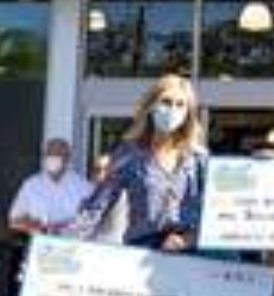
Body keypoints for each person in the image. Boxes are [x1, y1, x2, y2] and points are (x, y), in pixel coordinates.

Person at [71, 73, 209, 252]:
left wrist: (189, 239)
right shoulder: (129, 154)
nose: (172, 110)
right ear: (151, 105)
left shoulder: (198, 158)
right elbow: (96, 208)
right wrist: (61, 246)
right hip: (143, 249)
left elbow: (215, 213)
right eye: (166, 102)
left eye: (180, 105)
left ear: (187, 114)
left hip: (189, 254)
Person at [10, 138, 93, 237]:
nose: (53, 158)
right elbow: (15, 220)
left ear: (68, 159)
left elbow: (93, 219)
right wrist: (39, 225)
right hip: (40, 242)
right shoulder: (31, 186)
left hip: (72, 243)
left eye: (58, 154)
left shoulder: (83, 187)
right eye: (49, 154)